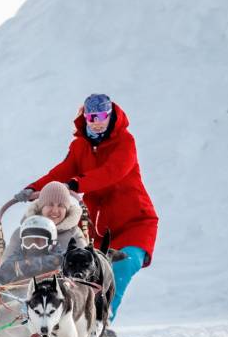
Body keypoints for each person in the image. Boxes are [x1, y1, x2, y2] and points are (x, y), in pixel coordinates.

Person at [24, 93, 158, 321]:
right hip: (98, 230)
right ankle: (74, 323)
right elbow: (63, 171)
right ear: (85, 117)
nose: (96, 121)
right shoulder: (80, 146)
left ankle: (101, 322)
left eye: (102, 115)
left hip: (134, 223)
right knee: (83, 275)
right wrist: (34, 187)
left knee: (121, 268)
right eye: (91, 116)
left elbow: (113, 171)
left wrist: (78, 183)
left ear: (110, 115)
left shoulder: (125, 142)